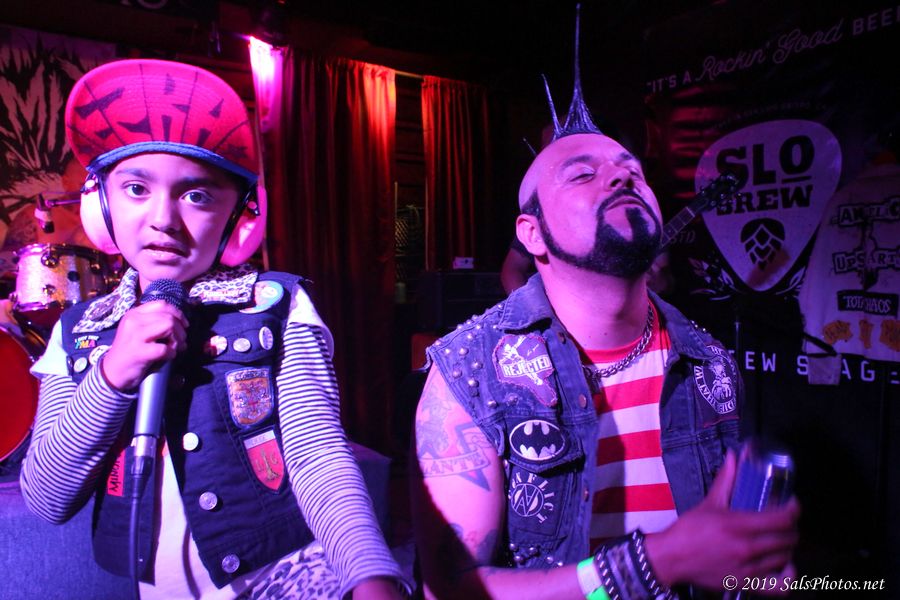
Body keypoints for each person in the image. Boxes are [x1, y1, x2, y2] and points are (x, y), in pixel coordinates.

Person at [410, 18, 799, 600]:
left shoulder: (710, 365)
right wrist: (655, 562)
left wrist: (753, 575)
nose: (620, 175)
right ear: (532, 234)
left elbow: (728, 563)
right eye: (583, 174)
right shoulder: (471, 374)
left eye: (632, 170)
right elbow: (451, 590)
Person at [20, 59, 407, 599]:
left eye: (196, 195)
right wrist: (111, 376)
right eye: (136, 188)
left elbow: (318, 453)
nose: (163, 219)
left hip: (288, 574)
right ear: (98, 205)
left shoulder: (276, 304)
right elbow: (46, 497)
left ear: (241, 220)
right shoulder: (78, 330)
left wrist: (368, 574)